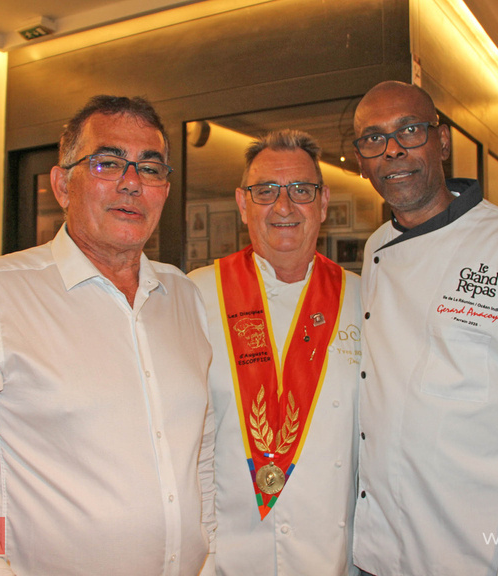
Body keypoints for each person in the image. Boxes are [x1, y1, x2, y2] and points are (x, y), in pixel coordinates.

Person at [0, 95, 215, 575]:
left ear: (164, 191)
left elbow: (200, 454)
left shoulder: (184, 296)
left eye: (150, 169)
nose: (132, 183)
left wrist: (209, 556)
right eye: (108, 163)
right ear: (63, 184)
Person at [350, 81, 498, 576]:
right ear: (361, 161)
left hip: (482, 554)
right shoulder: (376, 248)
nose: (392, 149)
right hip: (382, 552)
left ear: (441, 142)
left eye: (409, 131)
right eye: (373, 139)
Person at [189, 130, 361, 575]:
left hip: (332, 557)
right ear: (243, 204)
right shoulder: (194, 295)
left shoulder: (365, 300)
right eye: (266, 191)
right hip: (221, 558)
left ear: (322, 204)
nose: (284, 207)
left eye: (301, 191)